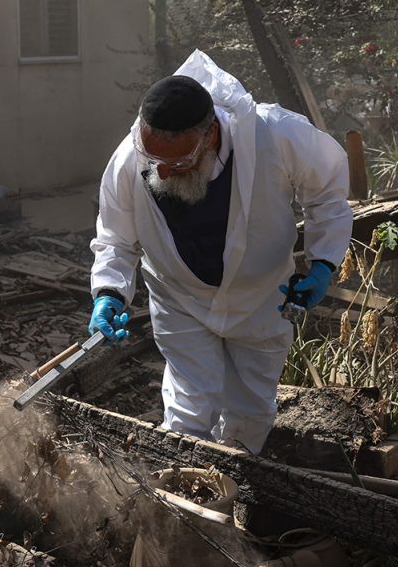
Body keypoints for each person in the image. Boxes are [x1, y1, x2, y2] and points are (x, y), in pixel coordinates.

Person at [88, 50, 352, 453]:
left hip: (262, 297)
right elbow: (115, 239)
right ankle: (187, 496)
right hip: (180, 300)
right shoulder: (129, 160)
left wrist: (323, 263)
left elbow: (328, 196)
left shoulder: (275, 135)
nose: (161, 172)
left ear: (210, 135)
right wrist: (108, 292)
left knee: (250, 413)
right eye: (153, 158)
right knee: (189, 411)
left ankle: (234, 488)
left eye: (176, 162)